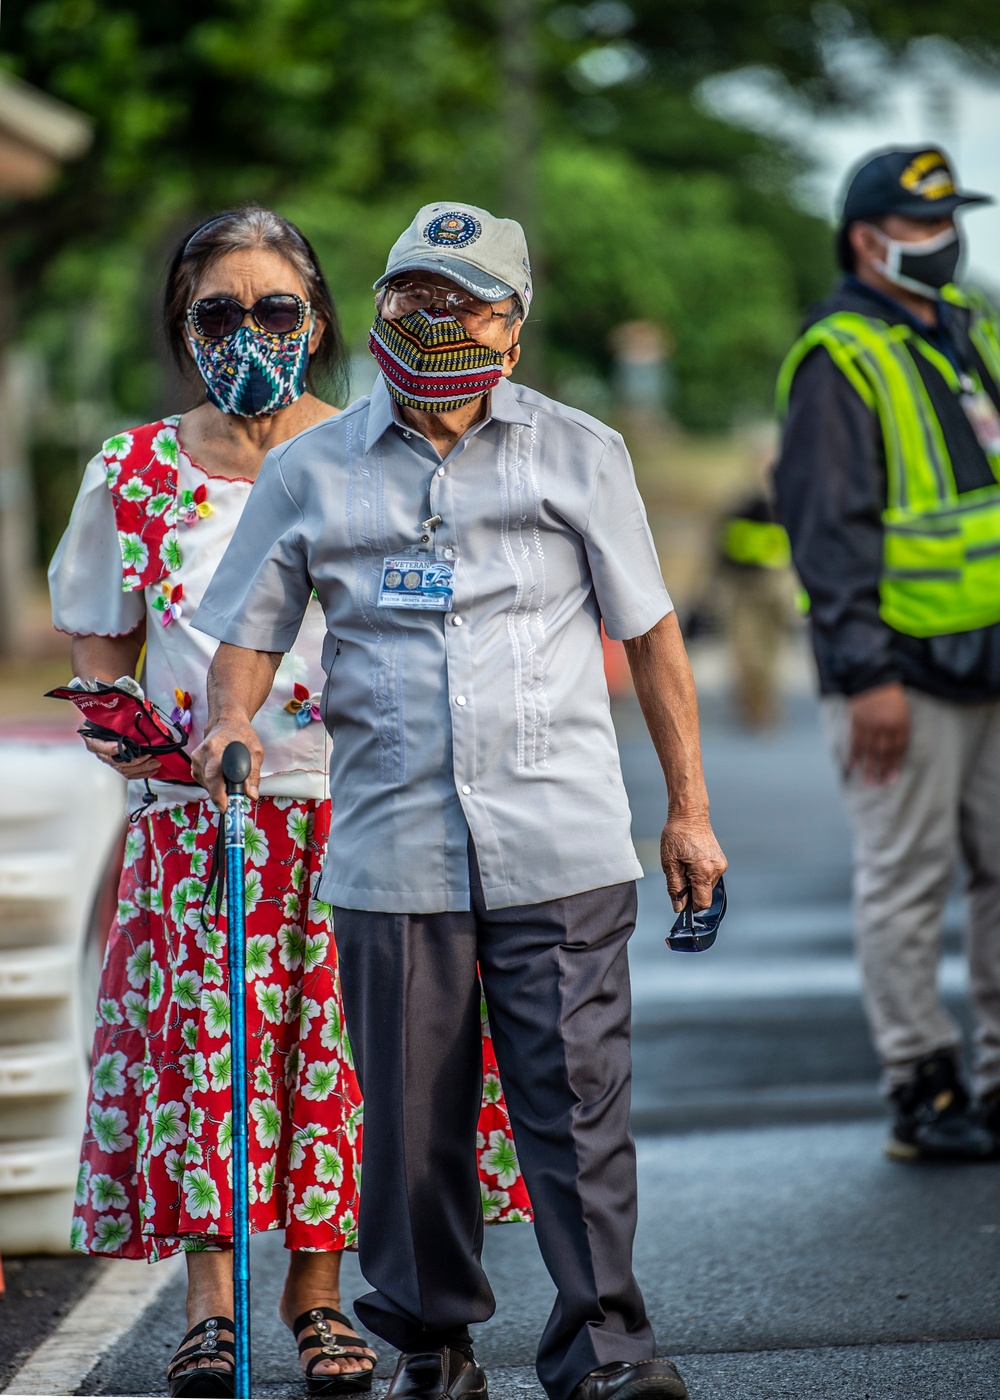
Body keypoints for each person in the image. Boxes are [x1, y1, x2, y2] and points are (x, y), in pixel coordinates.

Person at [189, 201, 727, 1400]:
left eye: (465, 300)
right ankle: (432, 1339)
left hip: (562, 841)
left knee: (578, 1109)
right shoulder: (309, 467)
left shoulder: (580, 451)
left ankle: (607, 1349)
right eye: (414, 295)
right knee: (413, 1125)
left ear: (513, 324)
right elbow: (248, 637)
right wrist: (229, 718)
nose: (437, 319)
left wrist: (687, 807)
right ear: (380, 305)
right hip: (392, 851)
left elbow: (650, 634)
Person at [47, 206, 529, 1399]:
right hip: (198, 825)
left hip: (356, 820)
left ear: (319, 321)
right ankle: (211, 1306)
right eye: (218, 312)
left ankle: (318, 1297)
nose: (247, 333)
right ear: (182, 324)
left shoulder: (375, 449)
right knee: (206, 1067)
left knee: (342, 1064)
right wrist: (144, 746)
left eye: (274, 309)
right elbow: (103, 643)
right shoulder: (133, 473)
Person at [773, 146, 1000, 1163]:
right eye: (920, 225)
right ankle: (924, 1084)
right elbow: (825, 531)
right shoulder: (841, 355)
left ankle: (993, 1079)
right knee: (907, 880)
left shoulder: (958, 333)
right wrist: (866, 672)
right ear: (867, 239)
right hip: (900, 673)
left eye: (948, 218)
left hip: (987, 660)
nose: (943, 238)